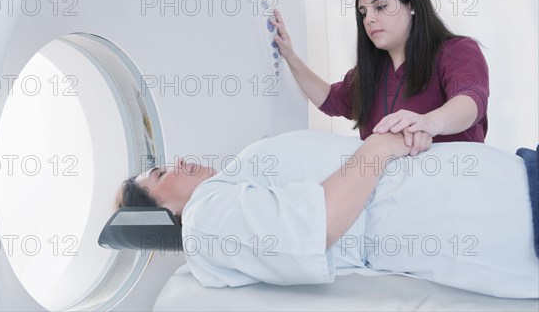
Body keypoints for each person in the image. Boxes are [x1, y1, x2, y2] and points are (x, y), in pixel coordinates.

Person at [115, 130, 538, 298]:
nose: (178, 162)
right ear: (164, 214)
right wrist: (379, 147)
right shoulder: (205, 222)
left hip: (495, 188)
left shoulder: (224, 194)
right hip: (483, 211)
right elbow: (314, 228)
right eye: (159, 173)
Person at [270, 0, 489, 156]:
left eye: (381, 7)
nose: (370, 19)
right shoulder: (368, 74)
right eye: (363, 13)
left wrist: (430, 122)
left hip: (454, 185)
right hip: (388, 195)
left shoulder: (457, 52)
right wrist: (290, 55)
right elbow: (328, 99)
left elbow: (470, 100)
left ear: (411, 5)